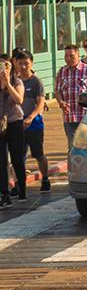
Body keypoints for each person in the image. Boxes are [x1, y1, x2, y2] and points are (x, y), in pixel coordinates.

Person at [55, 44, 87, 149]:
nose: (68, 58)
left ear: (78, 55)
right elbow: (57, 91)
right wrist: (61, 102)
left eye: (71, 56)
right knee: (72, 146)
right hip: (69, 116)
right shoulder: (61, 72)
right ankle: (73, 165)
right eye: (66, 56)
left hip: (85, 116)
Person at [14, 51, 47, 194]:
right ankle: (19, 184)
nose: (23, 66)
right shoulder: (15, 81)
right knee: (18, 156)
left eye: (26, 63)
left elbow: (40, 103)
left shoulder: (36, 82)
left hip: (33, 124)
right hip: (17, 123)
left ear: (31, 63)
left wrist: (31, 117)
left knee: (38, 154)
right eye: (20, 63)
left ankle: (45, 179)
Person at [0, 59, 25, 206]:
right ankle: (5, 194)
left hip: (14, 122)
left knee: (17, 158)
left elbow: (19, 99)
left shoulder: (17, 82)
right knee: (2, 160)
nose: (3, 70)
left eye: (6, 67)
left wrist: (7, 84)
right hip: (0, 126)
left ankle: (21, 189)